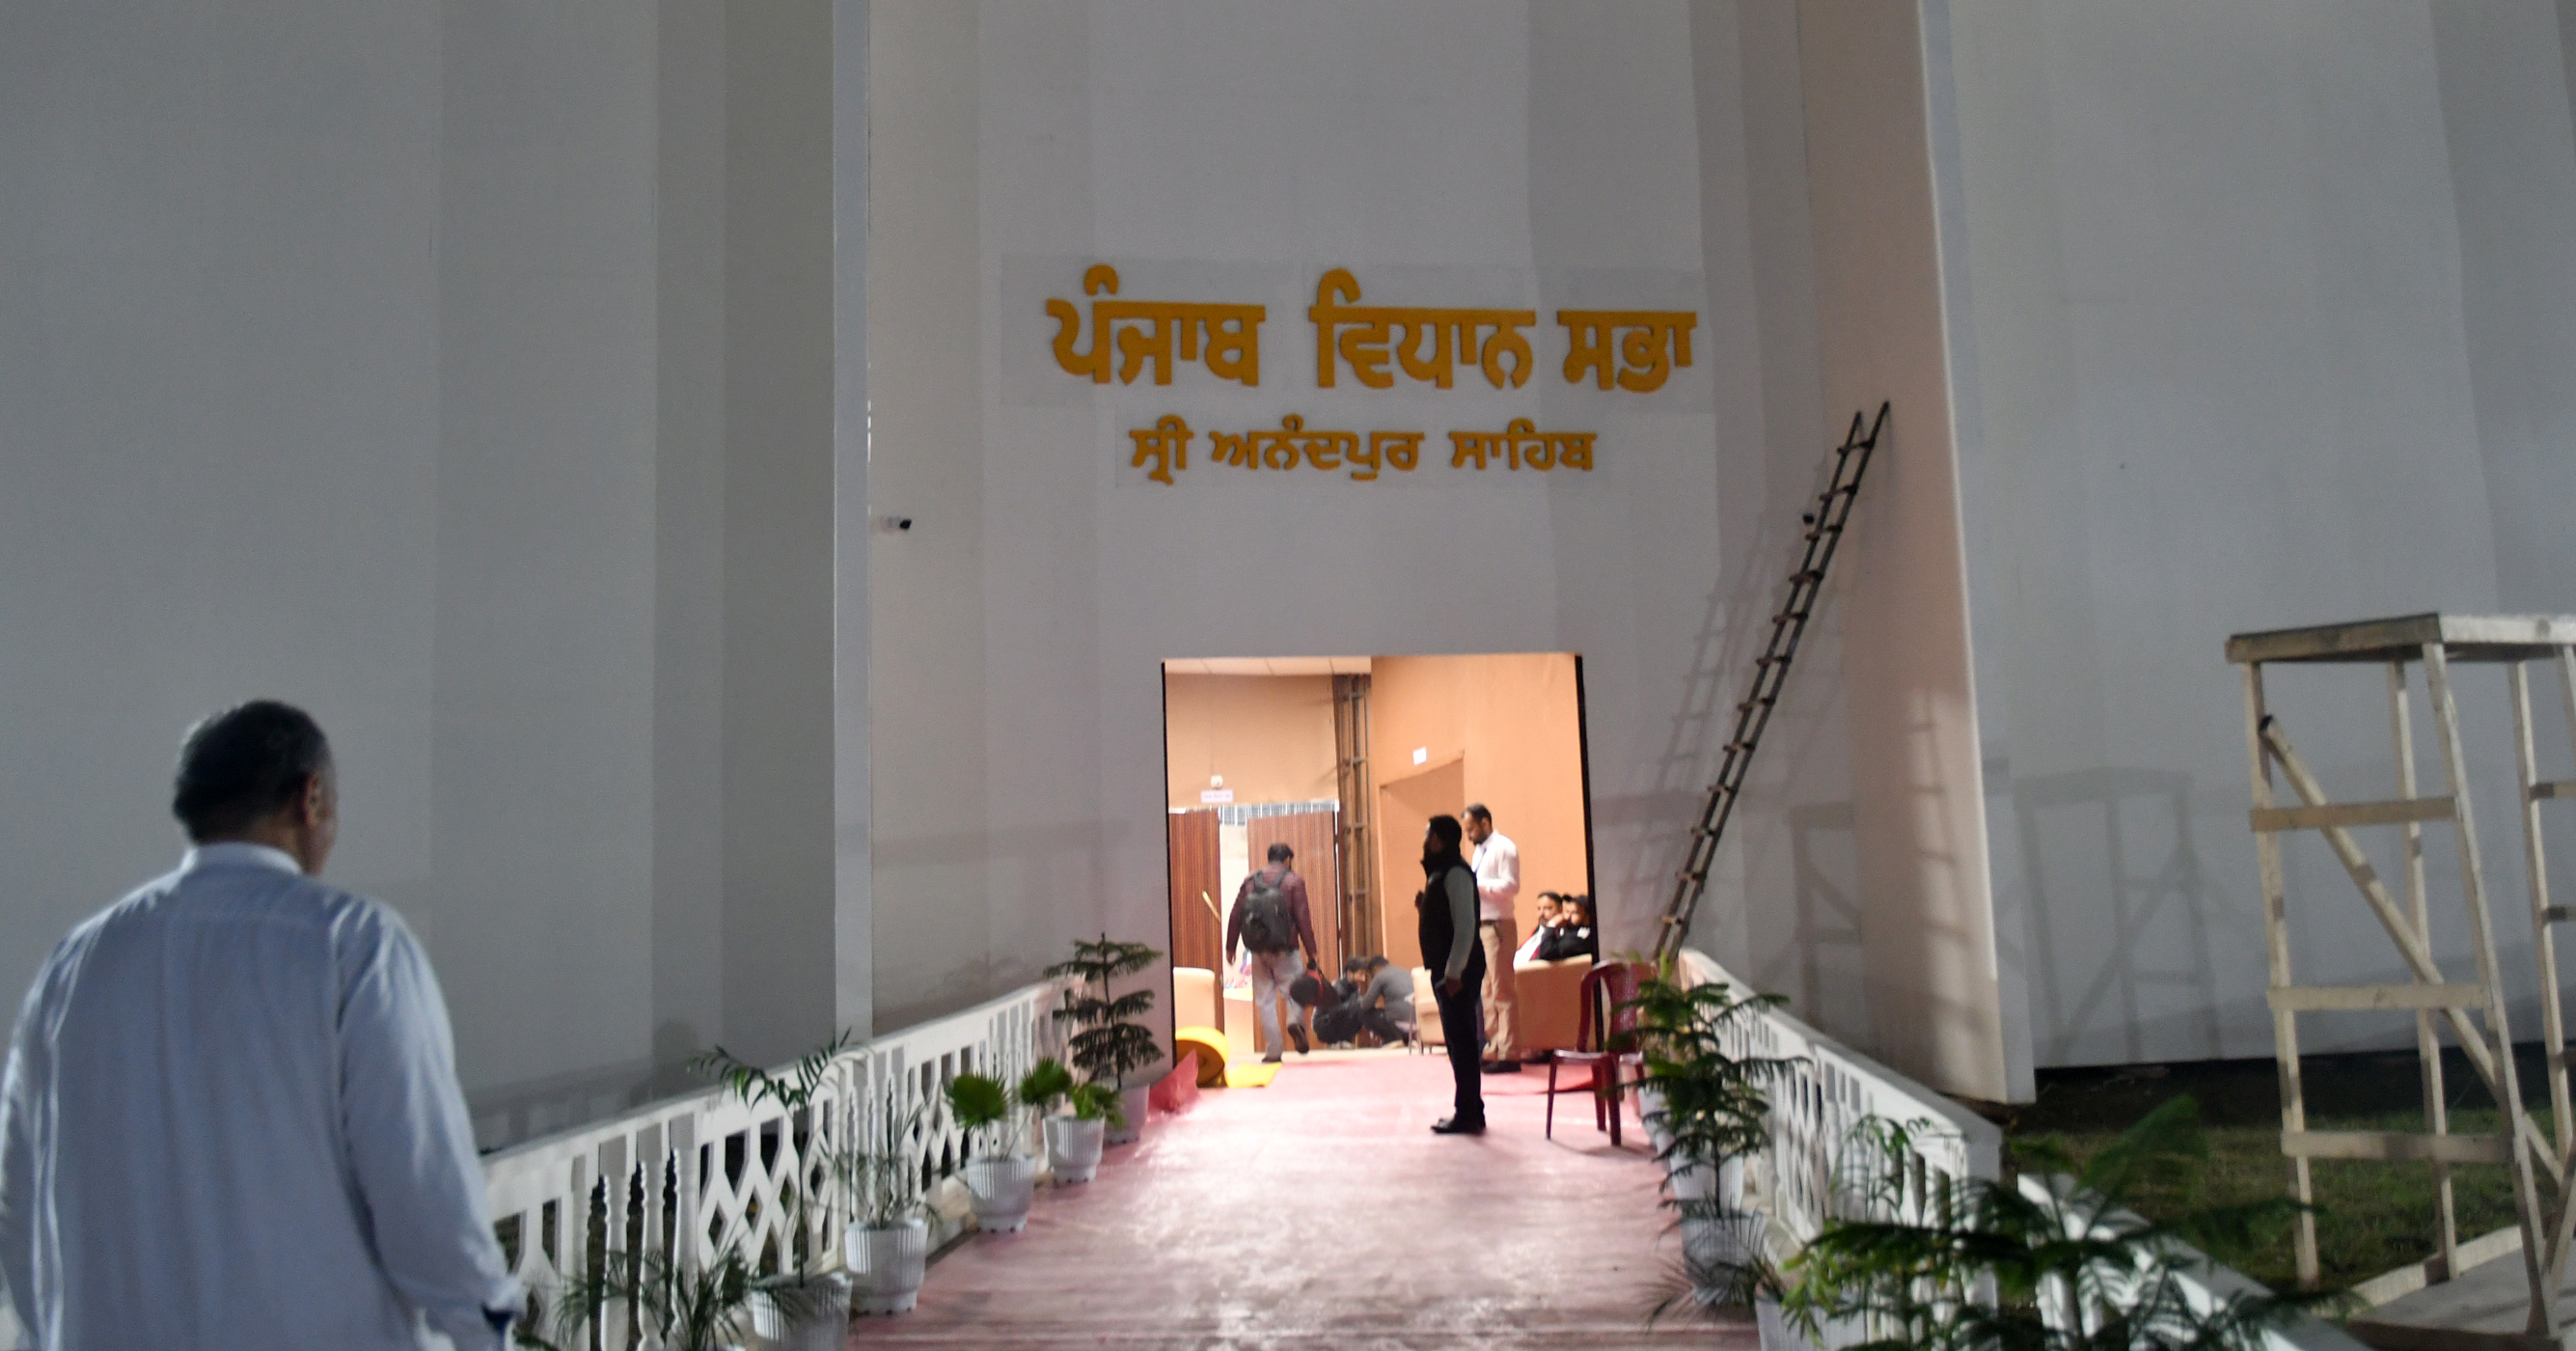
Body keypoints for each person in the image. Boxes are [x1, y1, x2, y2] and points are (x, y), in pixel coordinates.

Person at [1, 701, 520, 1350]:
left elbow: (20, 1204)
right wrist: (483, 1327)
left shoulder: (73, 967)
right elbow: (423, 1194)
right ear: (312, 798)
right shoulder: (351, 945)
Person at [1418, 814, 1485, 1134]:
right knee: (1458, 1042)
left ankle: (1468, 1112)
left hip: (1456, 972)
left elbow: (1465, 926)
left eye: (1428, 834)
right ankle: (1472, 1108)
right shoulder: (1442, 873)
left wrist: (1454, 971)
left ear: (1438, 839)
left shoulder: (1455, 873)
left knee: (1462, 1043)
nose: (1424, 840)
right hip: (1448, 970)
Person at [1223, 841, 1320, 1062]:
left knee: (1265, 1001)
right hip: (1286, 949)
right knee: (1294, 993)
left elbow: (1236, 914)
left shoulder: (1250, 881)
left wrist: (1231, 946)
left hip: (1258, 951)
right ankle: (1294, 1021)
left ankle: (1274, 1051)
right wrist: (1312, 950)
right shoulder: (1293, 881)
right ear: (1287, 860)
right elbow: (1303, 917)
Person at [1464, 803, 1521, 1073]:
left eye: (1472, 829)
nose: (1469, 835)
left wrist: (1480, 887)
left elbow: (1511, 885)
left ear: (1485, 823)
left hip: (1498, 924)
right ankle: (1493, 1046)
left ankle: (1509, 1052)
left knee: (1502, 990)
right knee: (1486, 990)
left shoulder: (1505, 848)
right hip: (1481, 924)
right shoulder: (1478, 852)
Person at [1347, 955, 1417, 1046]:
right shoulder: (1406, 973)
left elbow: (1365, 1005)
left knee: (1362, 1013)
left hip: (1397, 1023)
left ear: (1375, 969)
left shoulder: (1380, 976)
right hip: (1416, 1021)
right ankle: (1406, 1038)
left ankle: (1392, 1039)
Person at [1534, 894, 1600, 963]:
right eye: (1567, 912)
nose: (1568, 917)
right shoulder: (1564, 931)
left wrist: (1551, 925)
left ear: (1588, 918)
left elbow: (1546, 952)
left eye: (1575, 913)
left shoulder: (1583, 936)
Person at [1514, 893, 1564, 964]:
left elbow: (1547, 952)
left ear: (1560, 910)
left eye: (1547, 908)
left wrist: (1552, 925)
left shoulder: (1561, 935)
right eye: (1539, 909)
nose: (1541, 913)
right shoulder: (1535, 933)